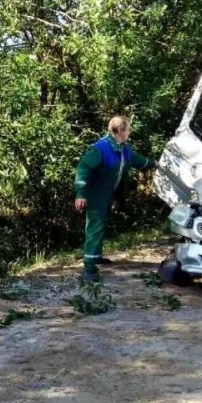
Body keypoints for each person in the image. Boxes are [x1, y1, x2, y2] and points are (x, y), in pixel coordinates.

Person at [74, 116, 156, 280]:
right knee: (95, 226)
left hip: (108, 194)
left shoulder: (123, 148)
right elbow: (83, 168)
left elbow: (138, 160)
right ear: (120, 131)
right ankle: (88, 268)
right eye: (128, 129)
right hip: (96, 194)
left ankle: (96, 256)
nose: (129, 132)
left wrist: (155, 164)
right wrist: (81, 194)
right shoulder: (100, 149)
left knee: (102, 224)